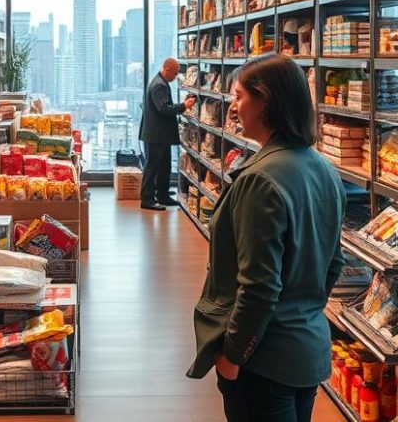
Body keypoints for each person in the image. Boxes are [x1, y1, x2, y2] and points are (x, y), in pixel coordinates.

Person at [187, 54, 344, 422]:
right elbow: (334, 262)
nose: (233, 107)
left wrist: (233, 356)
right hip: (306, 350)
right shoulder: (322, 168)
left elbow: (258, 287)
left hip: (263, 361)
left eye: (239, 96)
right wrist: (302, 309)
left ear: (265, 101)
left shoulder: (261, 179)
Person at [138, 57, 196, 211]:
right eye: (175, 73)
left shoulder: (160, 82)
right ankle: (147, 199)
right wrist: (183, 105)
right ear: (167, 70)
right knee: (153, 167)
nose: (175, 77)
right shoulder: (159, 86)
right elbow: (163, 109)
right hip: (155, 134)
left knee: (164, 165)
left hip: (159, 134)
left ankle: (162, 195)